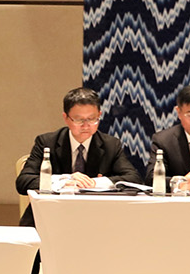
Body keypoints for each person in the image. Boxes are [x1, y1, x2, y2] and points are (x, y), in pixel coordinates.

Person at [14, 86, 143, 226]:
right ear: (66, 118)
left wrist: (95, 183)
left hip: (96, 217)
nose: (86, 126)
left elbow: (133, 179)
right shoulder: (47, 142)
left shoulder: (110, 145)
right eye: (78, 120)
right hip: (50, 216)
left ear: (99, 115)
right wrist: (64, 180)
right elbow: (24, 182)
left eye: (92, 119)